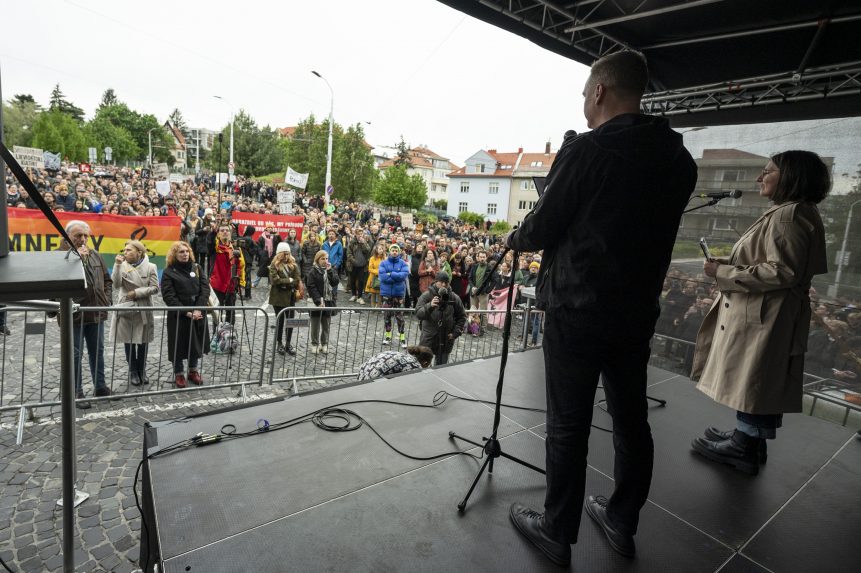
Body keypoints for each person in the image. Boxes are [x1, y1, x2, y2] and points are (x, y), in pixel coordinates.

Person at [506, 50, 697, 567]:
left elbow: (544, 225)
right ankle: (620, 521)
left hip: (578, 305)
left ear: (599, 92)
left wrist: (515, 236)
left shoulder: (587, 151)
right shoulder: (680, 161)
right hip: (635, 310)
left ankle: (557, 530)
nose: (583, 102)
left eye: (585, 92)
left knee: (568, 423)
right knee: (631, 420)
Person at [690, 150, 830, 475]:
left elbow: (782, 272)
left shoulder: (788, 216)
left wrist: (722, 274)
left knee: (755, 374)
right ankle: (749, 437)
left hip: (767, 314)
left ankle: (744, 445)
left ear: (791, 177)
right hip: (774, 312)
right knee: (759, 376)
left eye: (767, 171)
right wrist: (728, 265)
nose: (759, 177)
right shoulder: (795, 212)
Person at [64, 220, 113, 409]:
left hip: (96, 313)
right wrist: (77, 259)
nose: (83, 239)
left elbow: (107, 281)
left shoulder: (96, 255)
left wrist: (106, 299)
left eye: (85, 235)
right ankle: (76, 392)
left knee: (97, 351)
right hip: (73, 315)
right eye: (78, 236)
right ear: (68, 236)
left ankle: (100, 386)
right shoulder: (64, 257)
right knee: (74, 354)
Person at [160, 241, 211, 387]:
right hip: (179, 316)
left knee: (195, 344)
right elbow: (169, 296)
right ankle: (179, 373)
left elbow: (205, 289)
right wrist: (186, 312)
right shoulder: (169, 272)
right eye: (181, 252)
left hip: (197, 313)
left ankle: (193, 371)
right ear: (174, 254)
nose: (185, 254)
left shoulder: (197, 267)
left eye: (187, 251)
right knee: (178, 345)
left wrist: (198, 309)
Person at [110, 240, 159, 387]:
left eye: (129, 250)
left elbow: (156, 288)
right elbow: (116, 284)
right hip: (127, 307)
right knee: (129, 341)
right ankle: (133, 371)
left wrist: (137, 292)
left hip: (143, 307)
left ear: (139, 252)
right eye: (124, 250)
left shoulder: (151, 267)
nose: (125, 253)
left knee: (143, 341)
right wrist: (117, 266)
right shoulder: (121, 266)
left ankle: (142, 370)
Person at [415, 271, 466, 365]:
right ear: (435, 281)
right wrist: (429, 306)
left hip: (446, 338)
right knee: (423, 365)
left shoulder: (454, 297)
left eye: (446, 282)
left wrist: (455, 333)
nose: (443, 284)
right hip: (428, 337)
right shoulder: (426, 295)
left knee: (441, 368)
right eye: (441, 282)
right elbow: (418, 313)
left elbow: (462, 317)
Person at [269, 242, 302, 356]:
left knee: (291, 321)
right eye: (284, 254)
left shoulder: (294, 265)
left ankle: (288, 343)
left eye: (288, 253)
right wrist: (289, 281)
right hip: (278, 298)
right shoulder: (274, 265)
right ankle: (279, 343)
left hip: (290, 297)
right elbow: (275, 281)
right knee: (280, 321)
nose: (286, 256)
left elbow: (297, 280)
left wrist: (287, 283)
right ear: (279, 254)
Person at [209, 223, 246, 324]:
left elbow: (241, 266)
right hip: (217, 285)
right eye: (222, 230)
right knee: (217, 313)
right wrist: (213, 232)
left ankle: (230, 334)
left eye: (227, 230)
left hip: (231, 284)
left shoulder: (236, 248)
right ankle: (217, 334)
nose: (225, 232)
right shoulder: (215, 247)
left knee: (231, 313)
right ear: (218, 234)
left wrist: (241, 283)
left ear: (230, 233)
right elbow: (209, 242)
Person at [306, 250, 339, 354]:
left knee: (326, 325)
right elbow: (311, 286)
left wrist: (329, 271)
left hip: (328, 301)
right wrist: (317, 300)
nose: (325, 261)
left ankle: (324, 343)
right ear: (318, 259)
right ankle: (314, 344)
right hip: (317, 301)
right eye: (323, 259)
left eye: (326, 258)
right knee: (315, 326)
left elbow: (335, 282)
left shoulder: (331, 269)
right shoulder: (313, 271)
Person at [379, 243, 410, 347]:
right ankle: (387, 336)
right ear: (389, 251)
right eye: (393, 250)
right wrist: (396, 276)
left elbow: (403, 276)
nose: (394, 252)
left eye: (396, 250)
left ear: (399, 252)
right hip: (387, 294)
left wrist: (391, 274)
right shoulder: (383, 263)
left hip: (398, 294)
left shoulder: (403, 264)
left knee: (399, 317)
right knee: (387, 316)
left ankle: (402, 337)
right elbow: (383, 277)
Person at [356, 345, 434, 381]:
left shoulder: (401, 355)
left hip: (362, 376)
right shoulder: (415, 365)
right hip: (371, 383)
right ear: (425, 363)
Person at [347, 231, 371, 304]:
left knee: (361, 281)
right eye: (358, 234)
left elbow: (368, 251)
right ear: (355, 234)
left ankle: (360, 297)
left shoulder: (364, 242)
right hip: (353, 265)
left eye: (361, 234)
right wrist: (353, 261)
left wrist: (363, 243)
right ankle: (354, 295)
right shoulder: (352, 242)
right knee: (352, 280)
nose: (359, 236)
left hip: (362, 265)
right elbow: (348, 253)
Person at [365, 243, 387, 308]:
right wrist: (379, 272)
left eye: (382, 249)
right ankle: (373, 306)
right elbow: (370, 269)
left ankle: (378, 307)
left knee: (380, 293)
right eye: (380, 249)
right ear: (376, 250)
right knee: (373, 293)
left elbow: (386, 267)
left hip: (382, 278)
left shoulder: (384, 258)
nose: (381, 250)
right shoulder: (372, 258)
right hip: (373, 278)